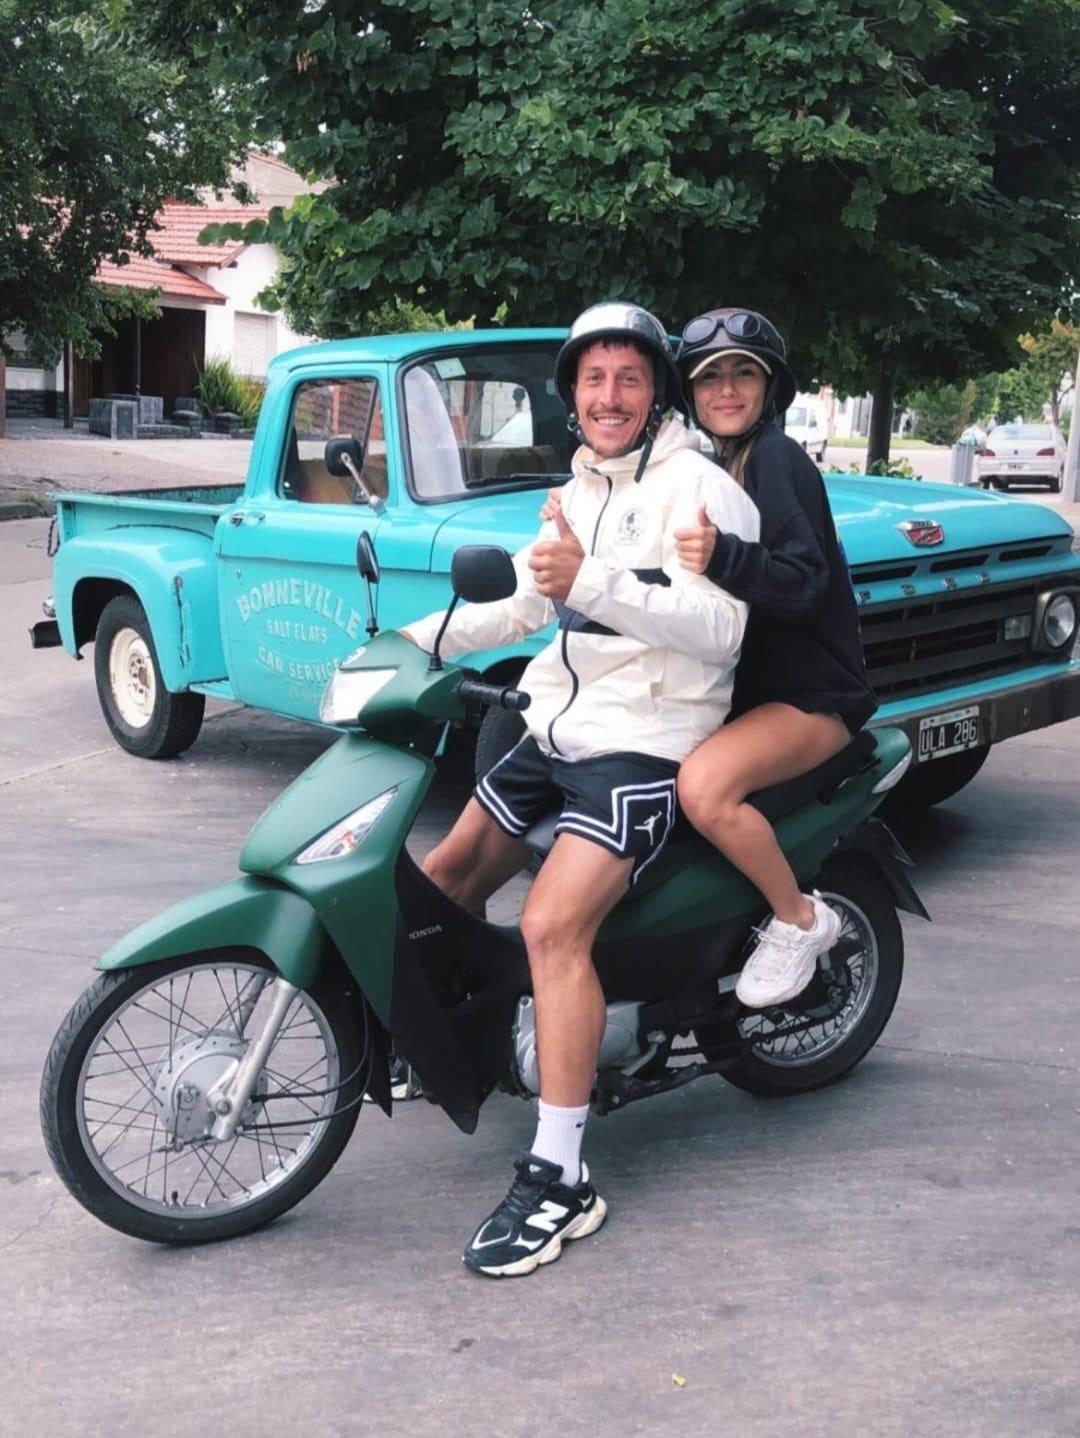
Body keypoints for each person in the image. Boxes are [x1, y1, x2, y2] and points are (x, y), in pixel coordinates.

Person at [401, 302, 760, 1277]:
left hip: (646, 741)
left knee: (553, 925)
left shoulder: (699, 488)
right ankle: (460, 1037)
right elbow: (526, 594)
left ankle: (561, 1174)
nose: (609, 396)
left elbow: (721, 631)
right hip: (557, 721)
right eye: (593, 379)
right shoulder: (580, 485)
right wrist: (412, 644)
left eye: (629, 378)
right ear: (572, 393)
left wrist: (593, 581)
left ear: (656, 392)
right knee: (439, 879)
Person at [670, 308, 877, 1007]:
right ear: (691, 394)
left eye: (743, 374)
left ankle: (798, 919)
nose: (726, 389)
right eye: (710, 378)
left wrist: (724, 557)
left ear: (770, 386)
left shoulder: (776, 459)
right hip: (748, 697)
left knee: (703, 788)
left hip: (812, 697)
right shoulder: (706, 467)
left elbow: (804, 579)